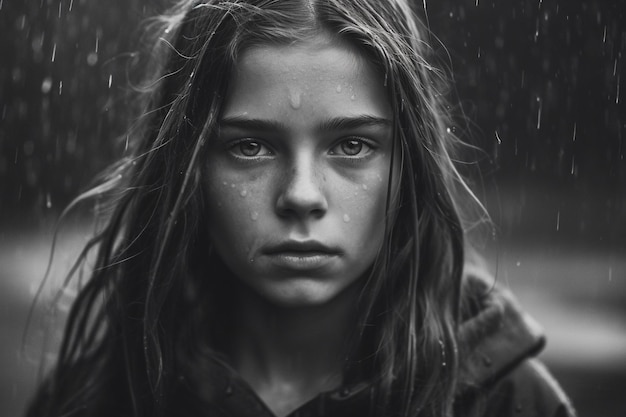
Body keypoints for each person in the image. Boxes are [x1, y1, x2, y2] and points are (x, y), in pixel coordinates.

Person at [25, 1, 576, 416]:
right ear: (188, 167)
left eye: (352, 145)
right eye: (250, 146)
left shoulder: (509, 402)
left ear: (408, 165)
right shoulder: (97, 397)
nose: (302, 195)